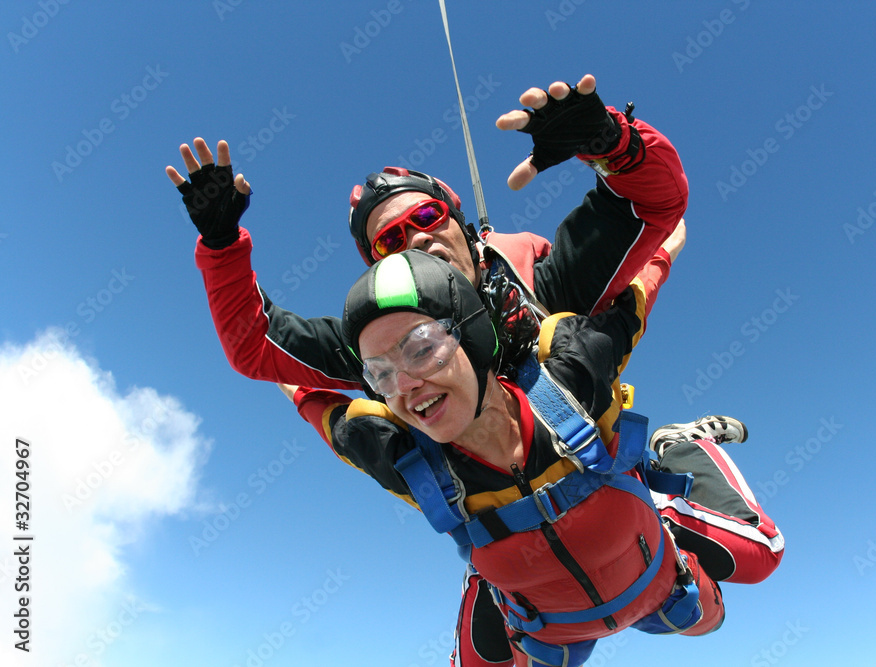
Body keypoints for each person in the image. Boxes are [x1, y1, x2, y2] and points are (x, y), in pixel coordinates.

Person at [283, 250, 782, 666]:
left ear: (471, 336)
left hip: (656, 580)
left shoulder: (570, 377)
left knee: (750, 569)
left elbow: (638, 286)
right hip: (548, 631)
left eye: (421, 348)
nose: (405, 384)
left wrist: (658, 225)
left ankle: (679, 449)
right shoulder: (404, 456)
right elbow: (296, 385)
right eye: (380, 373)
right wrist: (220, 250)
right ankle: (489, 572)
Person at [165, 75, 688, 391]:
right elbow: (254, 347)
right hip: (509, 539)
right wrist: (221, 246)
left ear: (461, 225)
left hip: (595, 474)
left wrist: (612, 143)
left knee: (651, 270)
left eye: (424, 219)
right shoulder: (377, 345)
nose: (414, 239)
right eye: (389, 242)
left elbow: (654, 203)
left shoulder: (543, 288)